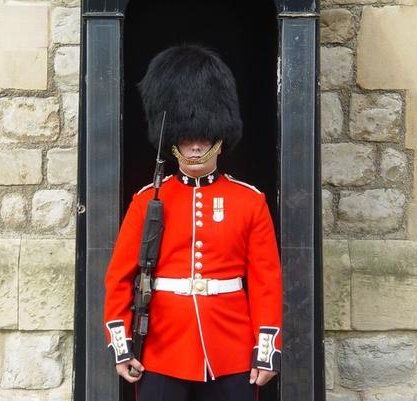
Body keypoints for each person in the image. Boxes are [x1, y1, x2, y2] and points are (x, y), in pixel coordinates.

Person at [104, 43, 283, 401]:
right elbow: (119, 277)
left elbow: (266, 281)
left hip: (230, 349)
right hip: (162, 348)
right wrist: (121, 345)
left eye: (203, 138)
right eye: (187, 139)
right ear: (173, 143)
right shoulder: (147, 201)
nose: (196, 147)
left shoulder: (249, 200)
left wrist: (266, 349)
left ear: (219, 137)